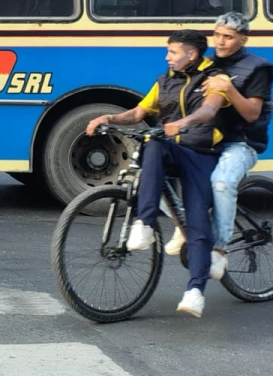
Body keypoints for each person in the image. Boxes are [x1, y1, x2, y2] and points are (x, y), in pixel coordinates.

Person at [85, 29, 236, 318]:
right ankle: (144, 222)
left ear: (191, 54)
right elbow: (139, 113)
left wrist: (185, 123)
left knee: (196, 222)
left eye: (172, 52)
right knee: (151, 145)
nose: (166, 57)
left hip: (201, 153)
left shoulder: (215, 78)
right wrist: (109, 118)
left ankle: (195, 291)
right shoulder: (165, 80)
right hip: (171, 149)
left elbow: (210, 109)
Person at [173, 12, 271, 281]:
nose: (221, 41)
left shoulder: (258, 67)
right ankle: (184, 228)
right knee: (165, 167)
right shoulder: (206, 63)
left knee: (222, 183)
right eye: (217, 35)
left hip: (241, 141)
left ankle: (220, 249)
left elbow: (252, 113)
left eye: (228, 37)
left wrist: (228, 89)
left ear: (243, 39)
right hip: (208, 139)